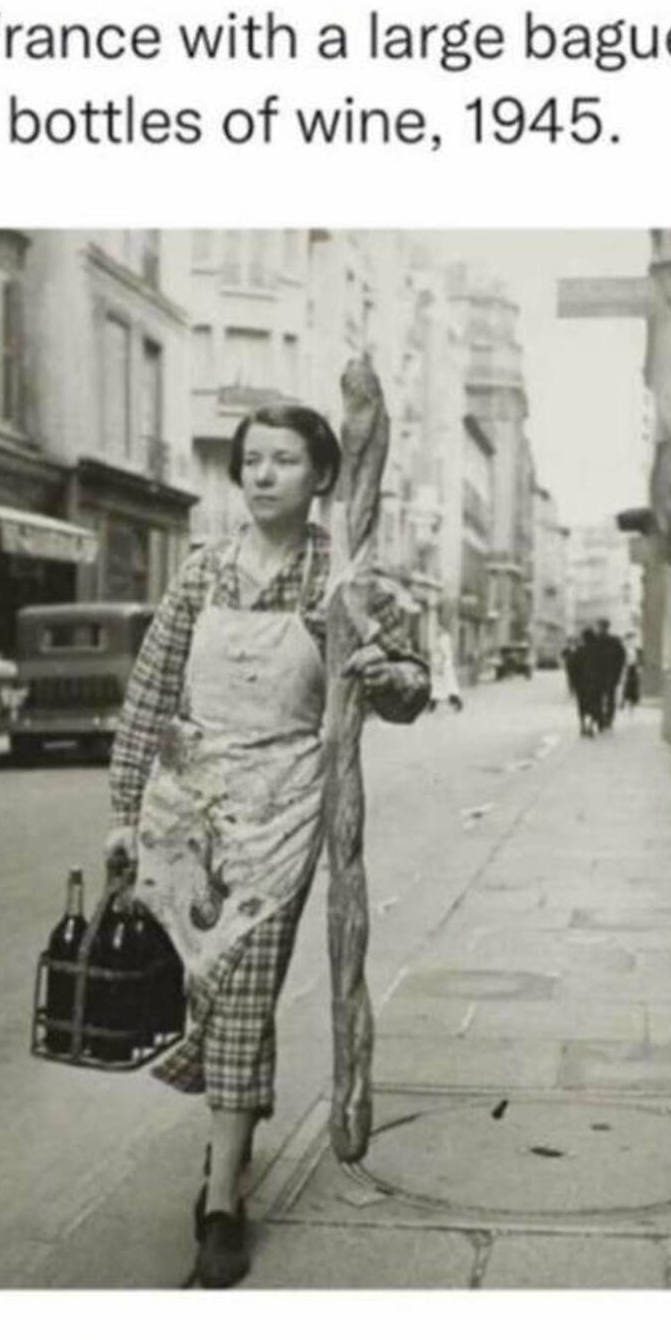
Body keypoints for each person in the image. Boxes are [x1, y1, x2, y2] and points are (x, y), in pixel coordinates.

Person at [104, 403, 430, 1290]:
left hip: (285, 816)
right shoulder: (202, 570)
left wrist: (387, 673)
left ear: (322, 475)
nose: (261, 474)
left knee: (244, 991)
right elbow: (149, 693)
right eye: (251, 460)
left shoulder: (349, 577)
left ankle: (219, 1205)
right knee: (204, 996)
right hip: (189, 817)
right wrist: (126, 812)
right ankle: (233, 1136)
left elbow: (409, 691)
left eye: (284, 460)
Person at [594, 618, 627, 731]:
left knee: (602, 698)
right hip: (607, 675)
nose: (601, 628)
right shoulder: (614, 641)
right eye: (601, 626)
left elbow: (621, 658)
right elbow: (621, 658)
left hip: (602, 675)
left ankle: (603, 719)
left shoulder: (596, 640)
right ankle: (607, 719)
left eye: (602, 626)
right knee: (608, 698)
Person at [428, 626, 463, 712]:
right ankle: (432, 705)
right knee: (439, 687)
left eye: (439, 628)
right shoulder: (440, 638)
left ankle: (456, 703)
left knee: (444, 687)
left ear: (443, 629)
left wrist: (440, 666)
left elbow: (445, 653)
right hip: (439, 666)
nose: (437, 630)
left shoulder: (444, 639)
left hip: (442, 667)